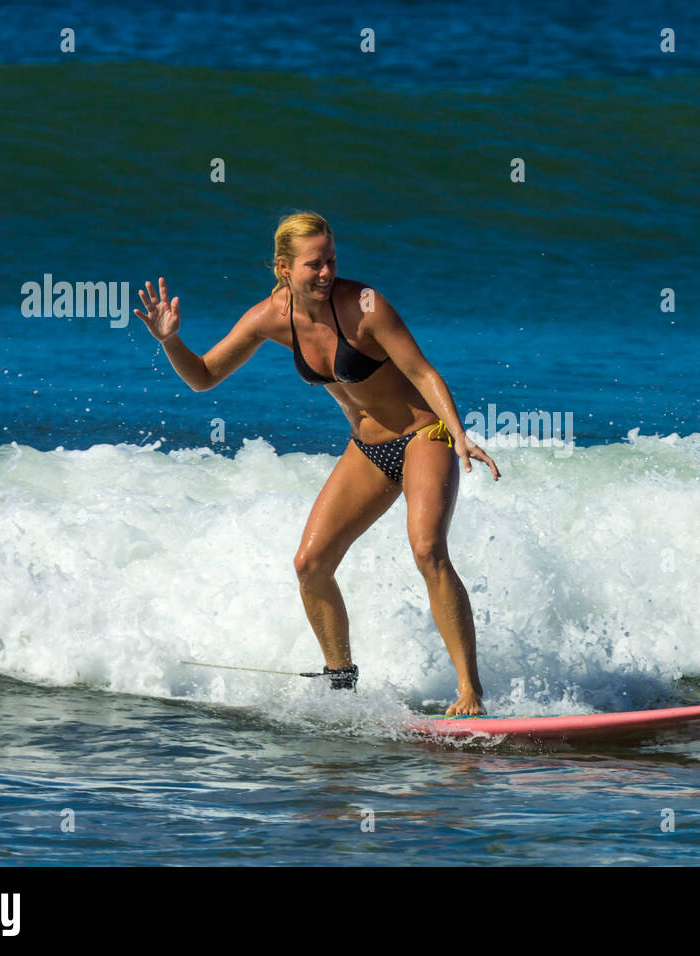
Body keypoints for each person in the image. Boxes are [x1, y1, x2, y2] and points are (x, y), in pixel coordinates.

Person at [134, 211, 498, 715]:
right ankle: (341, 685)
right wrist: (170, 341)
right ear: (284, 268)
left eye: (331, 260)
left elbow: (423, 371)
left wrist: (458, 434)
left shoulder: (365, 306)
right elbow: (202, 376)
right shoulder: (269, 317)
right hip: (367, 449)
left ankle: (470, 692)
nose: (326, 272)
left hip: (424, 436)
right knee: (310, 564)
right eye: (314, 265)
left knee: (427, 549)